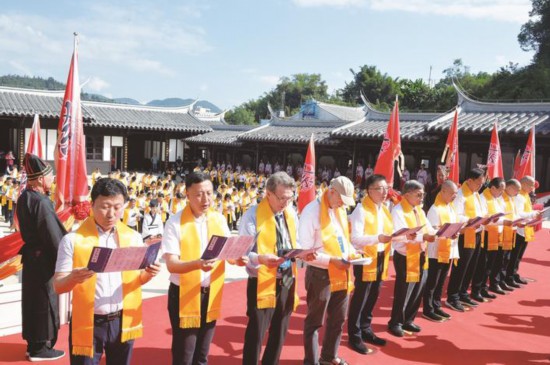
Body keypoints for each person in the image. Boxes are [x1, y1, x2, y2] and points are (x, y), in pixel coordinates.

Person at [53, 178, 161, 365]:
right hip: (89, 322)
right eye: (105, 206)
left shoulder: (133, 238)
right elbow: (58, 285)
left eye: (117, 207)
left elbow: (136, 280)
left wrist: (149, 274)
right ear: (92, 204)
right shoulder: (72, 240)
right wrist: (73, 278)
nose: (111, 214)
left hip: (123, 320)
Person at [162, 172, 247, 365]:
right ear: (187, 194)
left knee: (202, 355)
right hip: (184, 294)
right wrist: (197, 264)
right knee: (184, 354)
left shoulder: (218, 219)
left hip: (211, 293)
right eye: (199, 194)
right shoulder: (175, 223)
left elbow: (227, 253)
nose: (206, 199)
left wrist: (237, 260)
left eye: (209, 193)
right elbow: (171, 265)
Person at [240, 171, 315, 365]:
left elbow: (294, 242)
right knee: (257, 332)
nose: (285, 203)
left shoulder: (290, 214)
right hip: (262, 279)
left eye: (290, 198)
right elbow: (243, 252)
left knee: (280, 329)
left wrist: (303, 252)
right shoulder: (252, 215)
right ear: (268, 194)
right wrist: (261, 259)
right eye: (282, 198)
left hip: (287, 277)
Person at [300, 176, 358, 365]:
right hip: (320, 274)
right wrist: (331, 260)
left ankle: (328, 356)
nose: (342, 204)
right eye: (341, 199)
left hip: (341, 271)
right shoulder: (311, 212)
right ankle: (311, 361)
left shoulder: (339, 210)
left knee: (338, 319)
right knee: (315, 322)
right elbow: (305, 251)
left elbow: (343, 240)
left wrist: (354, 252)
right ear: (331, 191)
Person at [16, 153, 67, 361]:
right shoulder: (41, 202)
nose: (52, 178)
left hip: (31, 258)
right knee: (44, 302)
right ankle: (40, 349)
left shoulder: (24, 198)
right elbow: (53, 236)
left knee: (32, 300)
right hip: (43, 259)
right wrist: (66, 257)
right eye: (49, 175)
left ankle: (33, 344)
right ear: (39, 179)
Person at [347, 174, 393, 355]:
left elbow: (390, 231)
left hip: (381, 256)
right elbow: (355, 239)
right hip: (366, 258)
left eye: (386, 188)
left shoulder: (385, 209)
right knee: (361, 296)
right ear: (369, 191)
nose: (384, 192)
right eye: (379, 189)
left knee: (374, 294)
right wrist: (377, 238)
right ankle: (354, 334)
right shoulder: (361, 210)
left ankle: (366, 328)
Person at [388, 180, 435, 337]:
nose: (422, 198)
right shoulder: (398, 211)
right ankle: (395, 322)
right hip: (405, 256)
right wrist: (424, 236)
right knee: (404, 291)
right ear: (407, 195)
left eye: (423, 195)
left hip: (421, 253)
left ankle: (408, 320)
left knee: (418, 289)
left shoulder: (419, 210)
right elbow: (401, 235)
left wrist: (439, 233)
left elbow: (428, 227)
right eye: (419, 195)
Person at [446, 168, 486, 312]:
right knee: (461, 267)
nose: (480, 186)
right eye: (478, 183)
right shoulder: (460, 195)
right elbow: (456, 216)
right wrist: (470, 220)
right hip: (464, 234)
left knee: (471, 266)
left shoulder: (475, 194)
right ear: (469, 180)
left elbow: (480, 211)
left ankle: (463, 292)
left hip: (476, 232)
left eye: (482, 183)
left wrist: (483, 218)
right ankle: (453, 297)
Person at [424, 180, 459, 322]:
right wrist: (446, 231)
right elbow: (431, 229)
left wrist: (456, 231)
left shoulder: (450, 207)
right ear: (443, 191)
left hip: (449, 248)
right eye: (452, 193)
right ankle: (428, 309)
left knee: (442, 280)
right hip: (436, 250)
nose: (454, 196)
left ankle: (436, 305)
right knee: (433, 281)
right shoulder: (435, 209)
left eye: (456, 193)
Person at [471, 177, 506, 302]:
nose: (502, 193)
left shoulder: (498, 199)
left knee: (490, 264)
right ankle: (476, 290)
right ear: (492, 188)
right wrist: (495, 219)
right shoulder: (483, 198)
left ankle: (483, 288)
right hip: (486, 234)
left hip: (496, 234)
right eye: (500, 190)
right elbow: (483, 218)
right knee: (482, 264)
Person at [506, 176, 541, 287]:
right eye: (531, 185)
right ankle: (509, 276)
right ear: (523, 184)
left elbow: (527, 211)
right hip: (518, 229)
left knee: (519, 255)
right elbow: (519, 214)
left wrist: (533, 214)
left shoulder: (525, 195)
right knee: (514, 255)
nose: (532, 188)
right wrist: (532, 214)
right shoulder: (519, 196)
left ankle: (514, 273)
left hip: (525, 228)